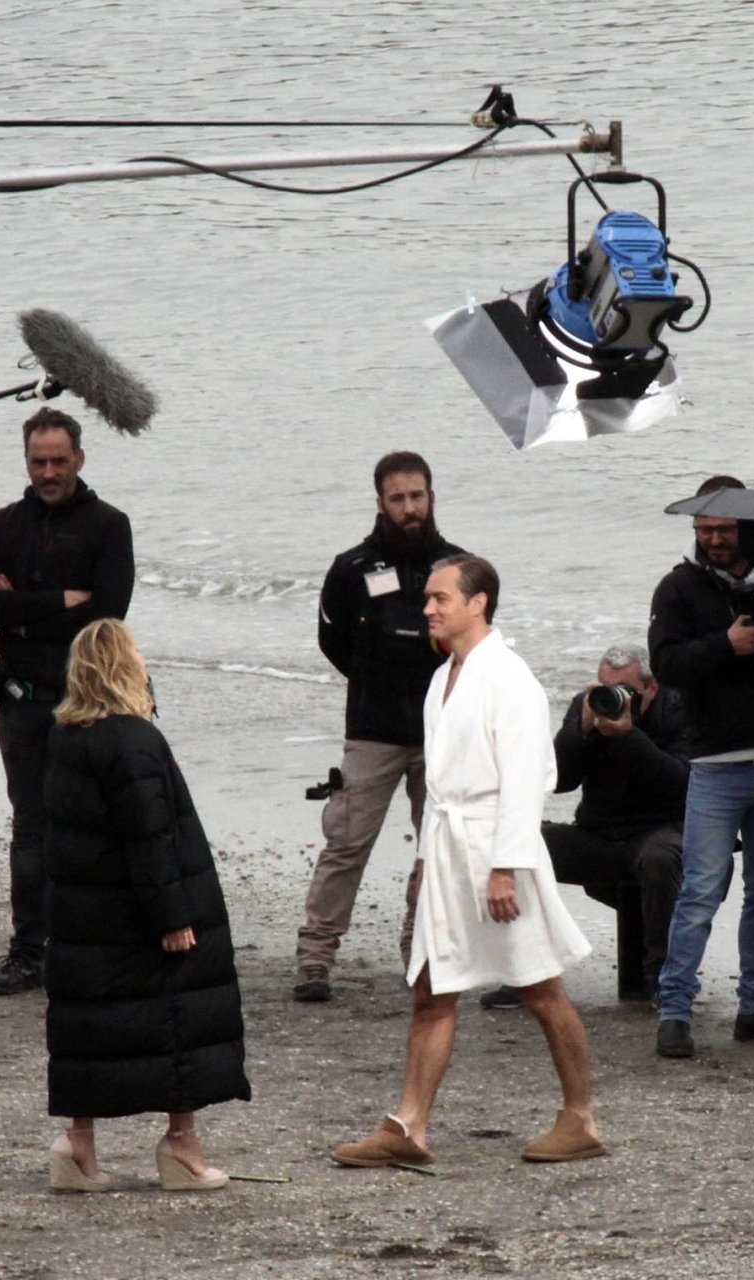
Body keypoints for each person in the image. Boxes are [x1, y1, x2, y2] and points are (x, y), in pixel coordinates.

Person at [332, 555, 604, 1167]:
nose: (427, 608)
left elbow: (528, 778)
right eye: (428, 598)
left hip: (495, 847)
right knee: (432, 988)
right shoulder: (443, 678)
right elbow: (440, 786)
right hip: (449, 844)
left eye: (440, 598)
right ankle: (409, 1127)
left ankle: (581, 1118)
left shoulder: (511, 678)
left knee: (539, 986)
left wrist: (505, 866)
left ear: (478, 603)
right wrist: (425, 860)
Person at [41, 618, 250, 1193]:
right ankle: (182, 1145)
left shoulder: (65, 736)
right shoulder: (135, 741)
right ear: (122, 667)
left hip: (85, 914)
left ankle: (77, 1145)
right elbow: (150, 835)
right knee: (180, 1013)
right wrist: (173, 916)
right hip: (135, 913)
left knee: (88, 1026)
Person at [648, 476, 754, 1060]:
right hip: (718, 765)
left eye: (724, 529)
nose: (715, 540)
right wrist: (727, 645)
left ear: (747, 525)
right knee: (700, 891)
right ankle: (675, 1012)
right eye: (705, 529)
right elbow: (665, 665)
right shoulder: (678, 587)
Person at [0, 406, 135, 996]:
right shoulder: (4, 525)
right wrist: (62, 600)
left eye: (58, 461)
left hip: (91, 700)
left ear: (79, 460)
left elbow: (107, 613)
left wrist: (22, 612)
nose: (48, 472)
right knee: (31, 828)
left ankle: (99, 946)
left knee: (98, 823)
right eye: (38, 462)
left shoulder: (109, 526)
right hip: (24, 701)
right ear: (26, 461)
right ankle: (28, 951)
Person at [294, 451, 465, 1003]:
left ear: (431, 497)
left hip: (440, 731)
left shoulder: (459, 568)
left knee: (438, 846)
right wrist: (374, 680)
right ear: (380, 503)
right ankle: (315, 956)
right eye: (398, 498)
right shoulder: (351, 569)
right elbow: (332, 641)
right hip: (372, 729)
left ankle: (420, 948)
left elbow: (476, 644)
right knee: (345, 842)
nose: (409, 507)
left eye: (417, 496)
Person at [481, 644, 687, 1010]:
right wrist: (582, 730)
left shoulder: (677, 708)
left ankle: (665, 982)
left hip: (659, 831)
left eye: (627, 690)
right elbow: (558, 780)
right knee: (521, 841)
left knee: (660, 857)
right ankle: (526, 973)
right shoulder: (589, 704)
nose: (617, 697)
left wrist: (629, 737)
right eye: (606, 687)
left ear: (652, 687)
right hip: (598, 835)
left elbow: (682, 785)